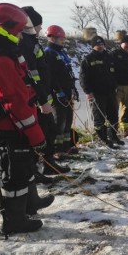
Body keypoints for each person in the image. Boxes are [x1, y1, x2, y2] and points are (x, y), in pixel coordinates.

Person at [0, 3, 54, 235]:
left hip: (4, 126)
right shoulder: (1, 62)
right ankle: (15, 222)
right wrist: (36, 136)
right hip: (8, 129)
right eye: (16, 32)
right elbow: (15, 103)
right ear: (3, 30)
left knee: (21, 170)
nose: (18, 37)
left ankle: (28, 205)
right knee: (13, 177)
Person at [20, 6, 70, 175]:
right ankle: (37, 169)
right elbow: (32, 74)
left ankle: (49, 165)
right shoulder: (25, 44)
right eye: (39, 26)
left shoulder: (32, 42)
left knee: (48, 131)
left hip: (43, 95)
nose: (41, 29)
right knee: (40, 133)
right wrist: (42, 99)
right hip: (36, 98)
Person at [79, 35, 123, 149]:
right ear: (93, 46)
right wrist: (88, 92)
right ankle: (104, 139)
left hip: (110, 92)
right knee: (99, 118)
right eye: (98, 44)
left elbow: (117, 72)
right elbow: (83, 77)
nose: (101, 46)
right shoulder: (88, 59)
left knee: (113, 115)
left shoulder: (109, 57)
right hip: (97, 94)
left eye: (102, 44)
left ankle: (113, 136)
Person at [44, 24, 80, 161]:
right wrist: (58, 91)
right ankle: (56, 150)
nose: (62, 41)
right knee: (59, 121)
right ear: (52, 38)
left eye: (63, 39)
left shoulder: (61, 53)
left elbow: (68, 74)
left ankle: (66, 147)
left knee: (68, 120)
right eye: (60, 39)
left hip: (67, 92)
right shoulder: (49, 53)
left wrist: (73, 89)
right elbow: (51, 76)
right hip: (57, 94)